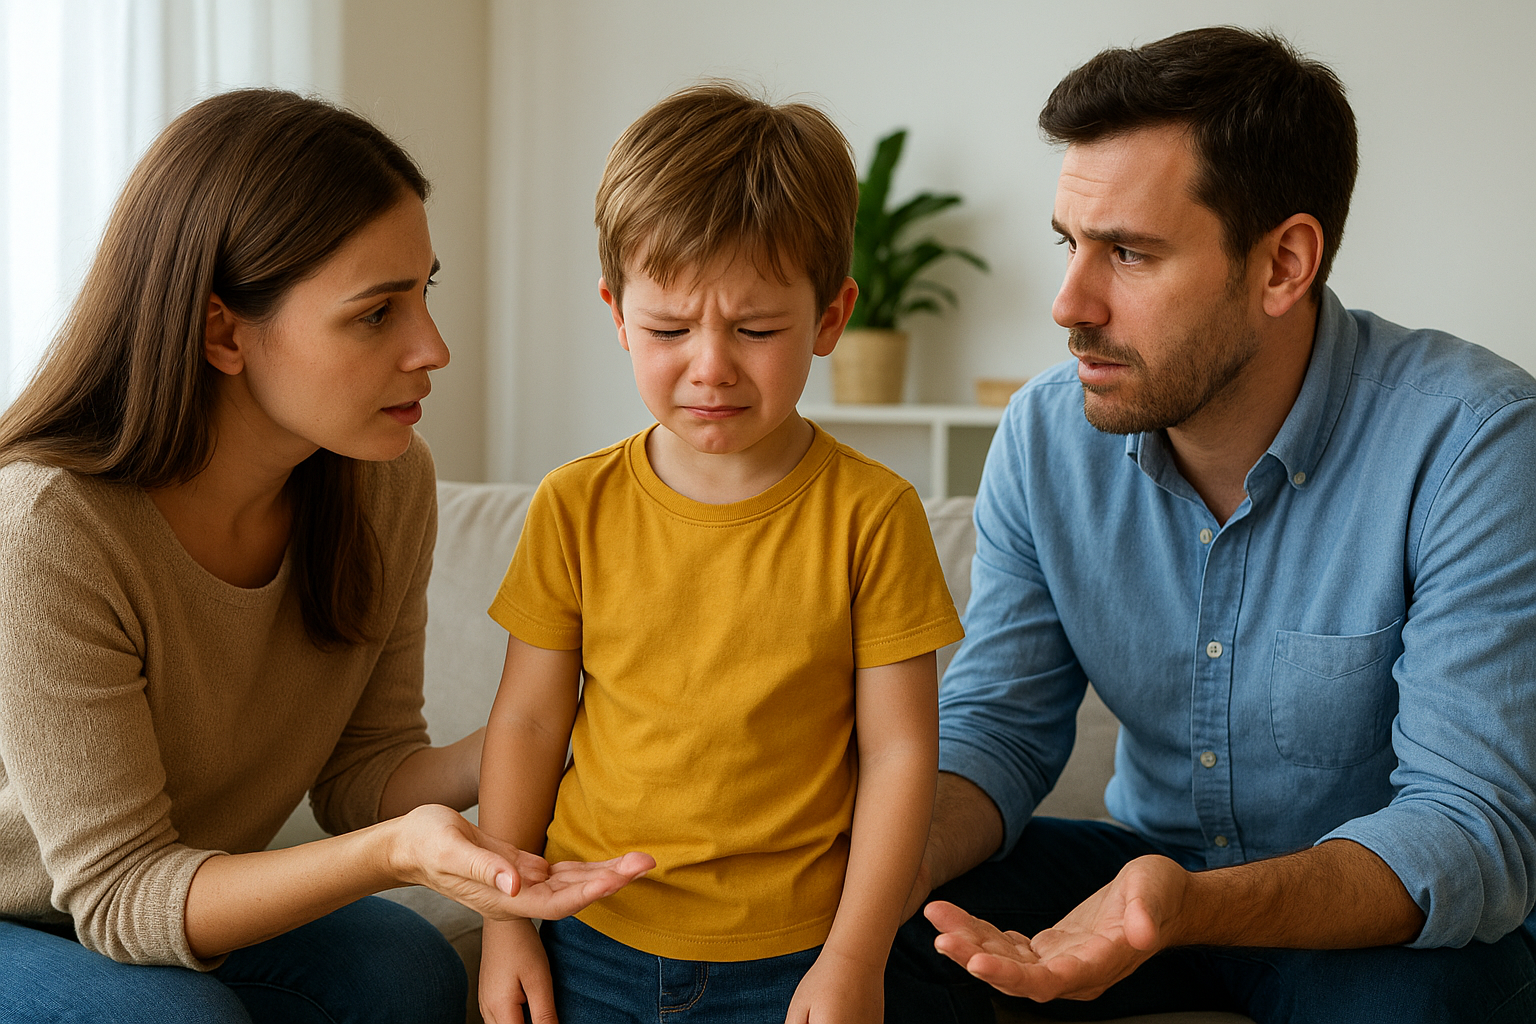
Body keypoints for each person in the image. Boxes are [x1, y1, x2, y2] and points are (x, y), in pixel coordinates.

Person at [886, 26, 1536, 1024]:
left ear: (1283, 263)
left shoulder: (1474, 440)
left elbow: (1467, 828)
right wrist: (882, 859)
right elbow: (1001, 729)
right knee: (873, 929)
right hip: (1134, 880)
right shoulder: (1044, 436)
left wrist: (1189, 911)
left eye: (1129, 253)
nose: (1069, 303)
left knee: (1445, 998)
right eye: (1071, 243)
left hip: (1357, 917)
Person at [0, 88, 651, 1024]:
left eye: (424, 291)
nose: (433, 347)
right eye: (375, 314)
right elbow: (119, 897)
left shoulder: (382, 483)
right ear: (225, 332)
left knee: (405, 968)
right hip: (32, 909)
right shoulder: (51, 526)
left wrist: (564, 708)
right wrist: (394, 854)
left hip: (163, 893)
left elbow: (363, 774)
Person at [475, 82, 966, 1024]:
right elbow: (530, 725)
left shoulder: (874, 515)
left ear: (830, 318)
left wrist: (855, 960)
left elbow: (902, 753)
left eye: (755, 329)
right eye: (668, 329)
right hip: (590, 939)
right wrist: (505, 921)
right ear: (618, 314)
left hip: (798, 954)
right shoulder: (574, 504)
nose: (710, 365)